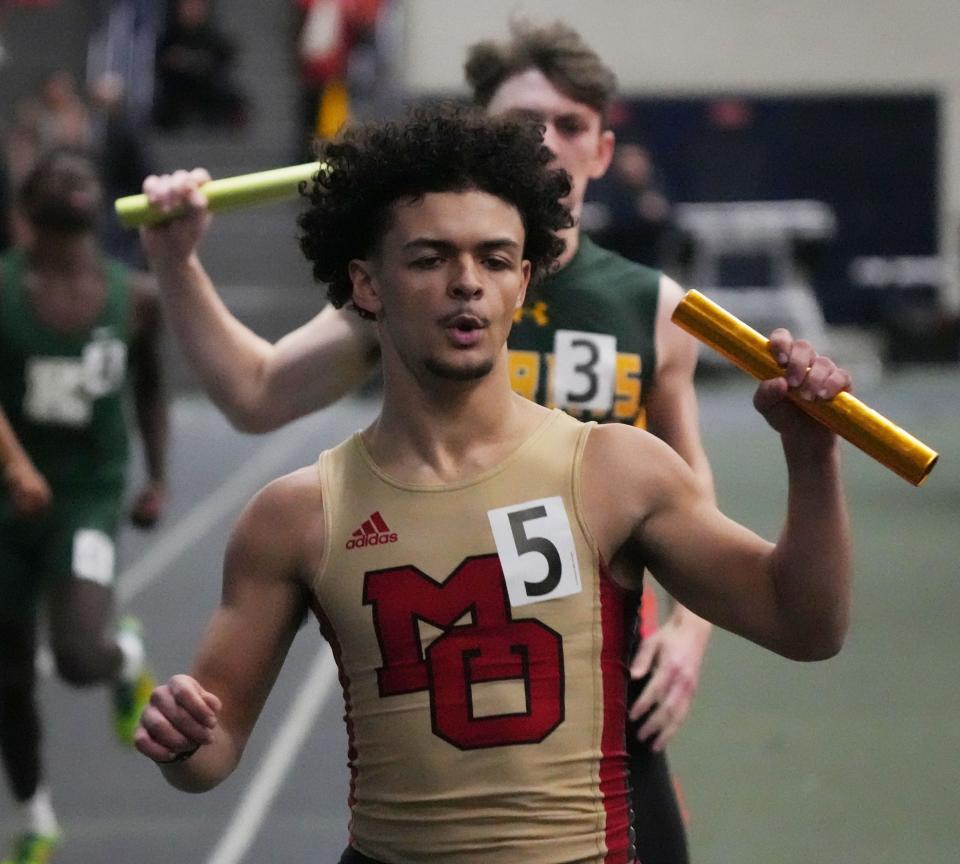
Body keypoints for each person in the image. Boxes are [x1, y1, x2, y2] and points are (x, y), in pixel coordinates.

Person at [134, 104, 852, 864]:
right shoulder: (297, 516)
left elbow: (805, 624)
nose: (466, 283)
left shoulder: (615, 470)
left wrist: (812, 462)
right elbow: (212, 754)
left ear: (524, 282)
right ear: (366, 284)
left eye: (496, 258)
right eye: (430, 258)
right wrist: (184, 737)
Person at [0, 150, 168, 864]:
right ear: (27, 205)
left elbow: (151, 391)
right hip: (6, 498)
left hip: (87, 495)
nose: (74, 176)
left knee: (73, 656)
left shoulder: (135, 298)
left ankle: (121, 657)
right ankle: (36, 816)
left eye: (85, 172)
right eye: (57, 172)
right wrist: (13, 466)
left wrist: (157, 478)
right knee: (7, 674)